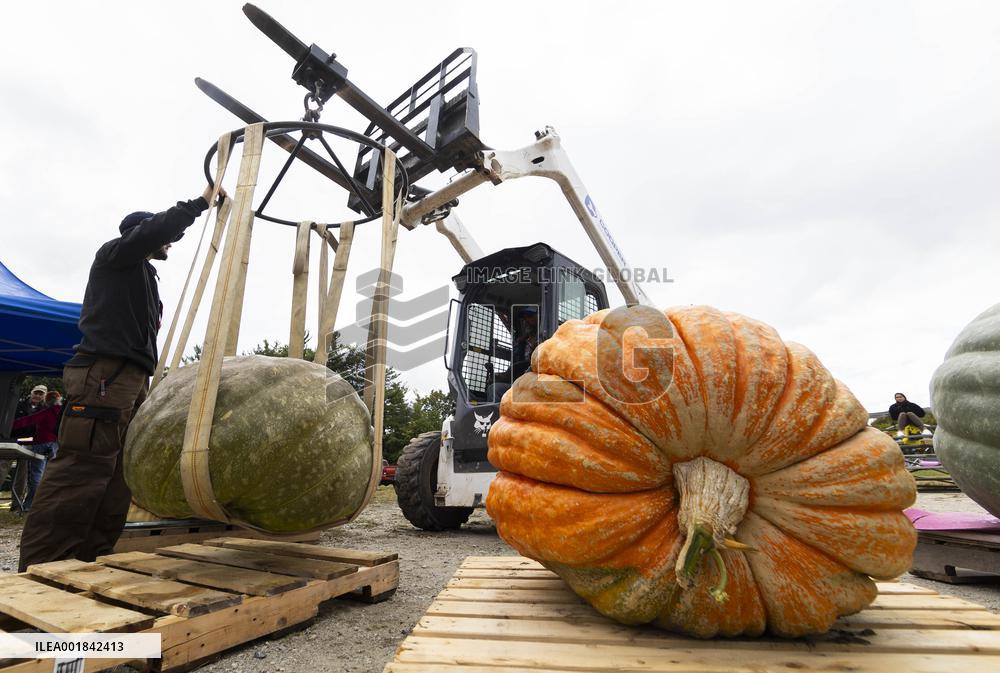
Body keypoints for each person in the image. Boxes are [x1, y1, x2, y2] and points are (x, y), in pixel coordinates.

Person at [18, 184, 222, 572]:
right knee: (84, 467)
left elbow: (163, 235)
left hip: (129, 378)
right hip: (103, 375)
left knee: (119, 471)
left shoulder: (143, 272)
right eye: (164, 239)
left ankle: (90, 561)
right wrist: (201, 202)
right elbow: (154, 232)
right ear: (137, 233)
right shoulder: (114, 256)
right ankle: (44, 569)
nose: (170, 245)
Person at [9, 390, 62, 511]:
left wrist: (10, 424)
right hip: (56, 444)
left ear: (47, 401)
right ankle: (50, 504)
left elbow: (29, 420)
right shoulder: (63, 412)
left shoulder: (46, 411)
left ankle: (31, 505)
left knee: (36, 475)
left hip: (41, 443)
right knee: (53, 474)